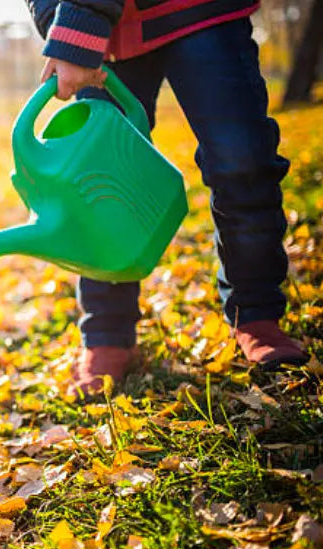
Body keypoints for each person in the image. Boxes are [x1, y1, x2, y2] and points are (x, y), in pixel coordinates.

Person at [23, 0, 310, 396]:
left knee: (242, 161)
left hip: (197, 10)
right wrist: (59, 20)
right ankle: (107, 332)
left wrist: (76, 32)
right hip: (110, 33)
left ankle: (257, 315)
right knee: (98, 184)